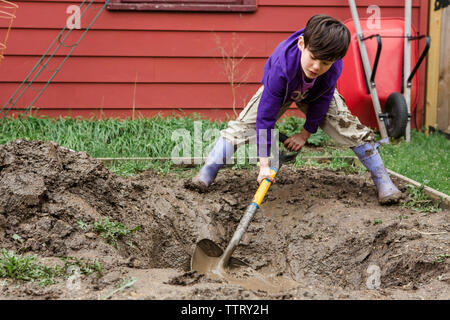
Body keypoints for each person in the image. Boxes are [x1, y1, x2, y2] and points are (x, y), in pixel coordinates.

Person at [190, 14, 402, 204]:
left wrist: (304, 134)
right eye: (313, 58)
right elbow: (266, 116)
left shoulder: (333, 66)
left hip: (317, 92)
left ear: (336, 60)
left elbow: (323, 101)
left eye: (325, 62)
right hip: (281, 91)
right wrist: (264, 164)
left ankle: (382, 179)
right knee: (243, 126)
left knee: (350, 127)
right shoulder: (282, 66)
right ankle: (207, 171)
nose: (317, 67)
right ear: (302, 44)